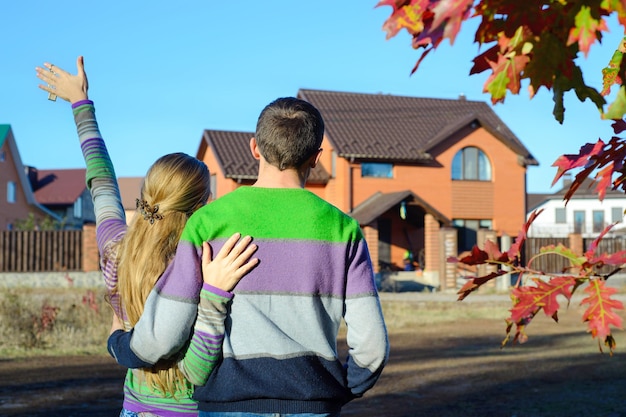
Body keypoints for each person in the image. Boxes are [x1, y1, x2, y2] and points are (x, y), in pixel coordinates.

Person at [108, 96, 390, 416]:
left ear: (254, 148)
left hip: (229, 406)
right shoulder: (344, 231)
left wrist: (119, 344)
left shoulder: (208, 223)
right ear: (315, 157)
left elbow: (161, 339)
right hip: (314, 406)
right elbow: (372, 348)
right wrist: (339, 387)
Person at [36, 56, 259, 416]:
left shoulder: (116, 252)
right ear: (200, 207)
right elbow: (206, 360)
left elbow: (101, 181)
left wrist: (81, 104)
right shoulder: (209, 266)